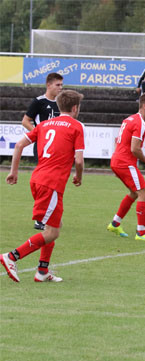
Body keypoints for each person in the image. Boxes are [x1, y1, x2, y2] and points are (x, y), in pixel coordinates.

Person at [1, 90, 85, 283]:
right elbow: (79, 161)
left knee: (55, 225)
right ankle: (12, 256)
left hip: (38, 178)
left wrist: (14, 171)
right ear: (74, 108)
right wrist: (78, 176)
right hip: (51, 183)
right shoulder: (77, 126)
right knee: (52, 231)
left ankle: (42, 271)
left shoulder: (45, 124)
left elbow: (19, 145)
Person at [106, 93, 145, 242]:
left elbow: (121, 142)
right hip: (124, 162)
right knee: (144, 194)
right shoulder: (140, 123)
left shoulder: (129, 119)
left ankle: (115, 224)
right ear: (144, 105)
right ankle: (141, 233)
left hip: (118, 160)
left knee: (134, 193)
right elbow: (134, 149)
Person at [21, 72, 64, 230]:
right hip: (42, 147)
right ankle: (40, 218)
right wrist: (38, 133)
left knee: (53, 182)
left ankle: (50, 215)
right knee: (44, 182)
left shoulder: (61, 104)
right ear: (48, 85)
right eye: (57, 85)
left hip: (57, 149)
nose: (60, 88)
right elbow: (25, 120)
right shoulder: (39, 102)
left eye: (61, 85)